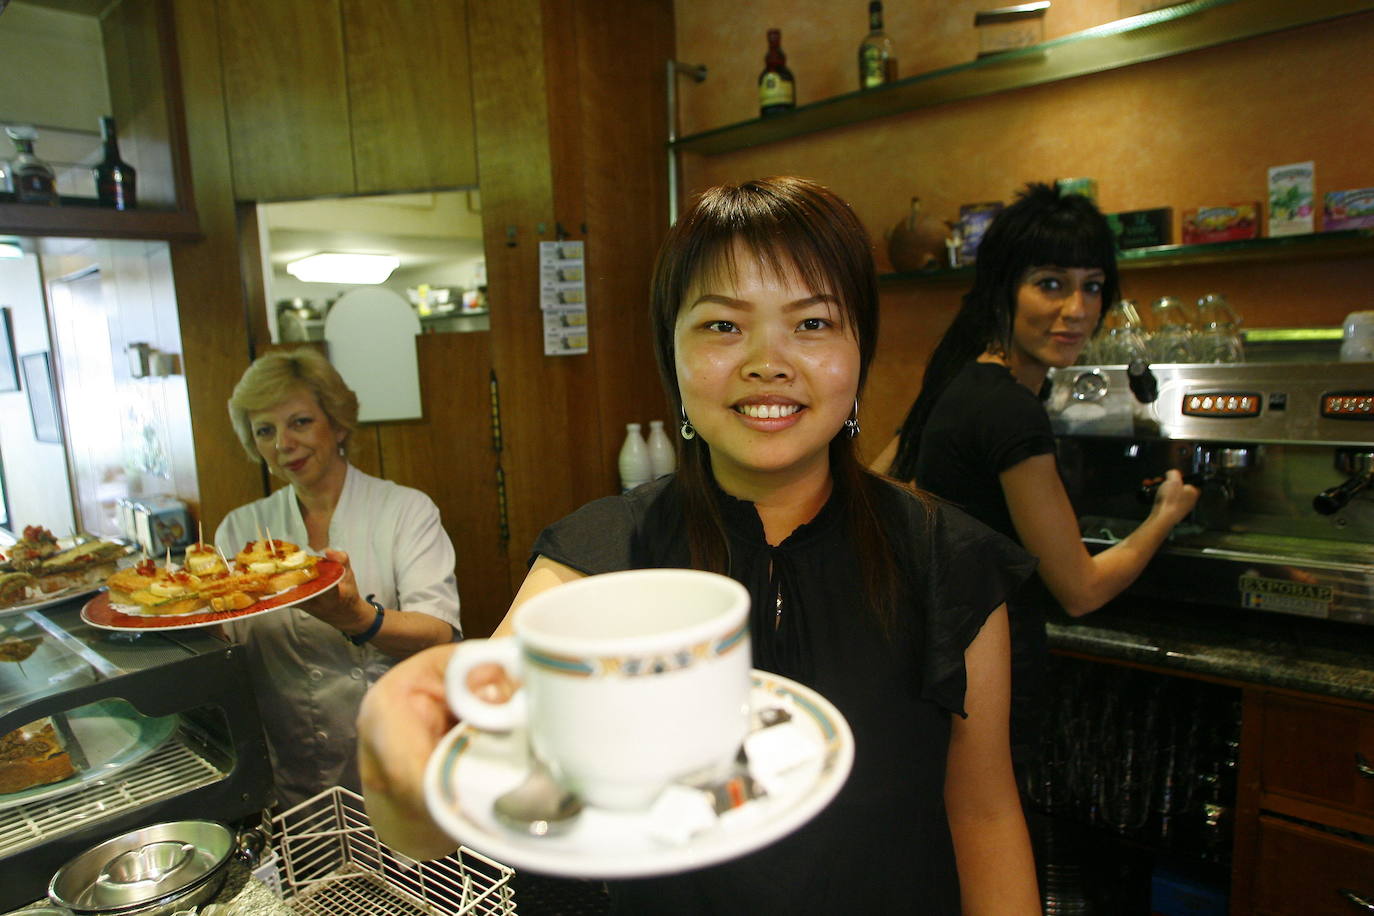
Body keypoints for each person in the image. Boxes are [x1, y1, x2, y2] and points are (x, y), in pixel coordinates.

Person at [358, 177, 1041, 914]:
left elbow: (984, 815)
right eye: (722, 326)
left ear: (860, 350)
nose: (767, 361)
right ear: (671, 355)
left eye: (812, 324)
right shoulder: (592, 558)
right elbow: (443, 821)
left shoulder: (950, 560)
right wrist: (399, 761)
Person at [871, 182, 1200, 767]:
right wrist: (1166, 515)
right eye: (1050, 284)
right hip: (993, 664)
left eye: (1092, 287)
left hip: (943, 657)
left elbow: (882, 479)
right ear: (1005, 287)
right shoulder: (1009, 408)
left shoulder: (960, 372)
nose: (1077, 310)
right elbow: (1081, 590)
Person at [216, 347, 461, 808]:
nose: (283, 443)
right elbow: (229, 643)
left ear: (339, 423)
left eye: (300, 422)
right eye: (264, 431)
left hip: (392, 758)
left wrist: (359, 618)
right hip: (289, 769)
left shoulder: (404, 511)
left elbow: (439, 635)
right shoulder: (241, 530)